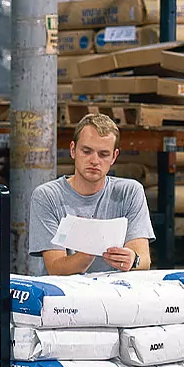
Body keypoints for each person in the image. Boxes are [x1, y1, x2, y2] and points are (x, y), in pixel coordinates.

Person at [28, 112, 155, 275]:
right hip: (66, 295)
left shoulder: (130, 192)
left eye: (103, 154)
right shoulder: (47, 196)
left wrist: (132, 260)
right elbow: (56, 268)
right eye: (87, 151)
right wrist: (90, 249)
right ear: (73, 150)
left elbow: (143, 259)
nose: (94, 161)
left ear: (114, 157)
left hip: (117, 292)